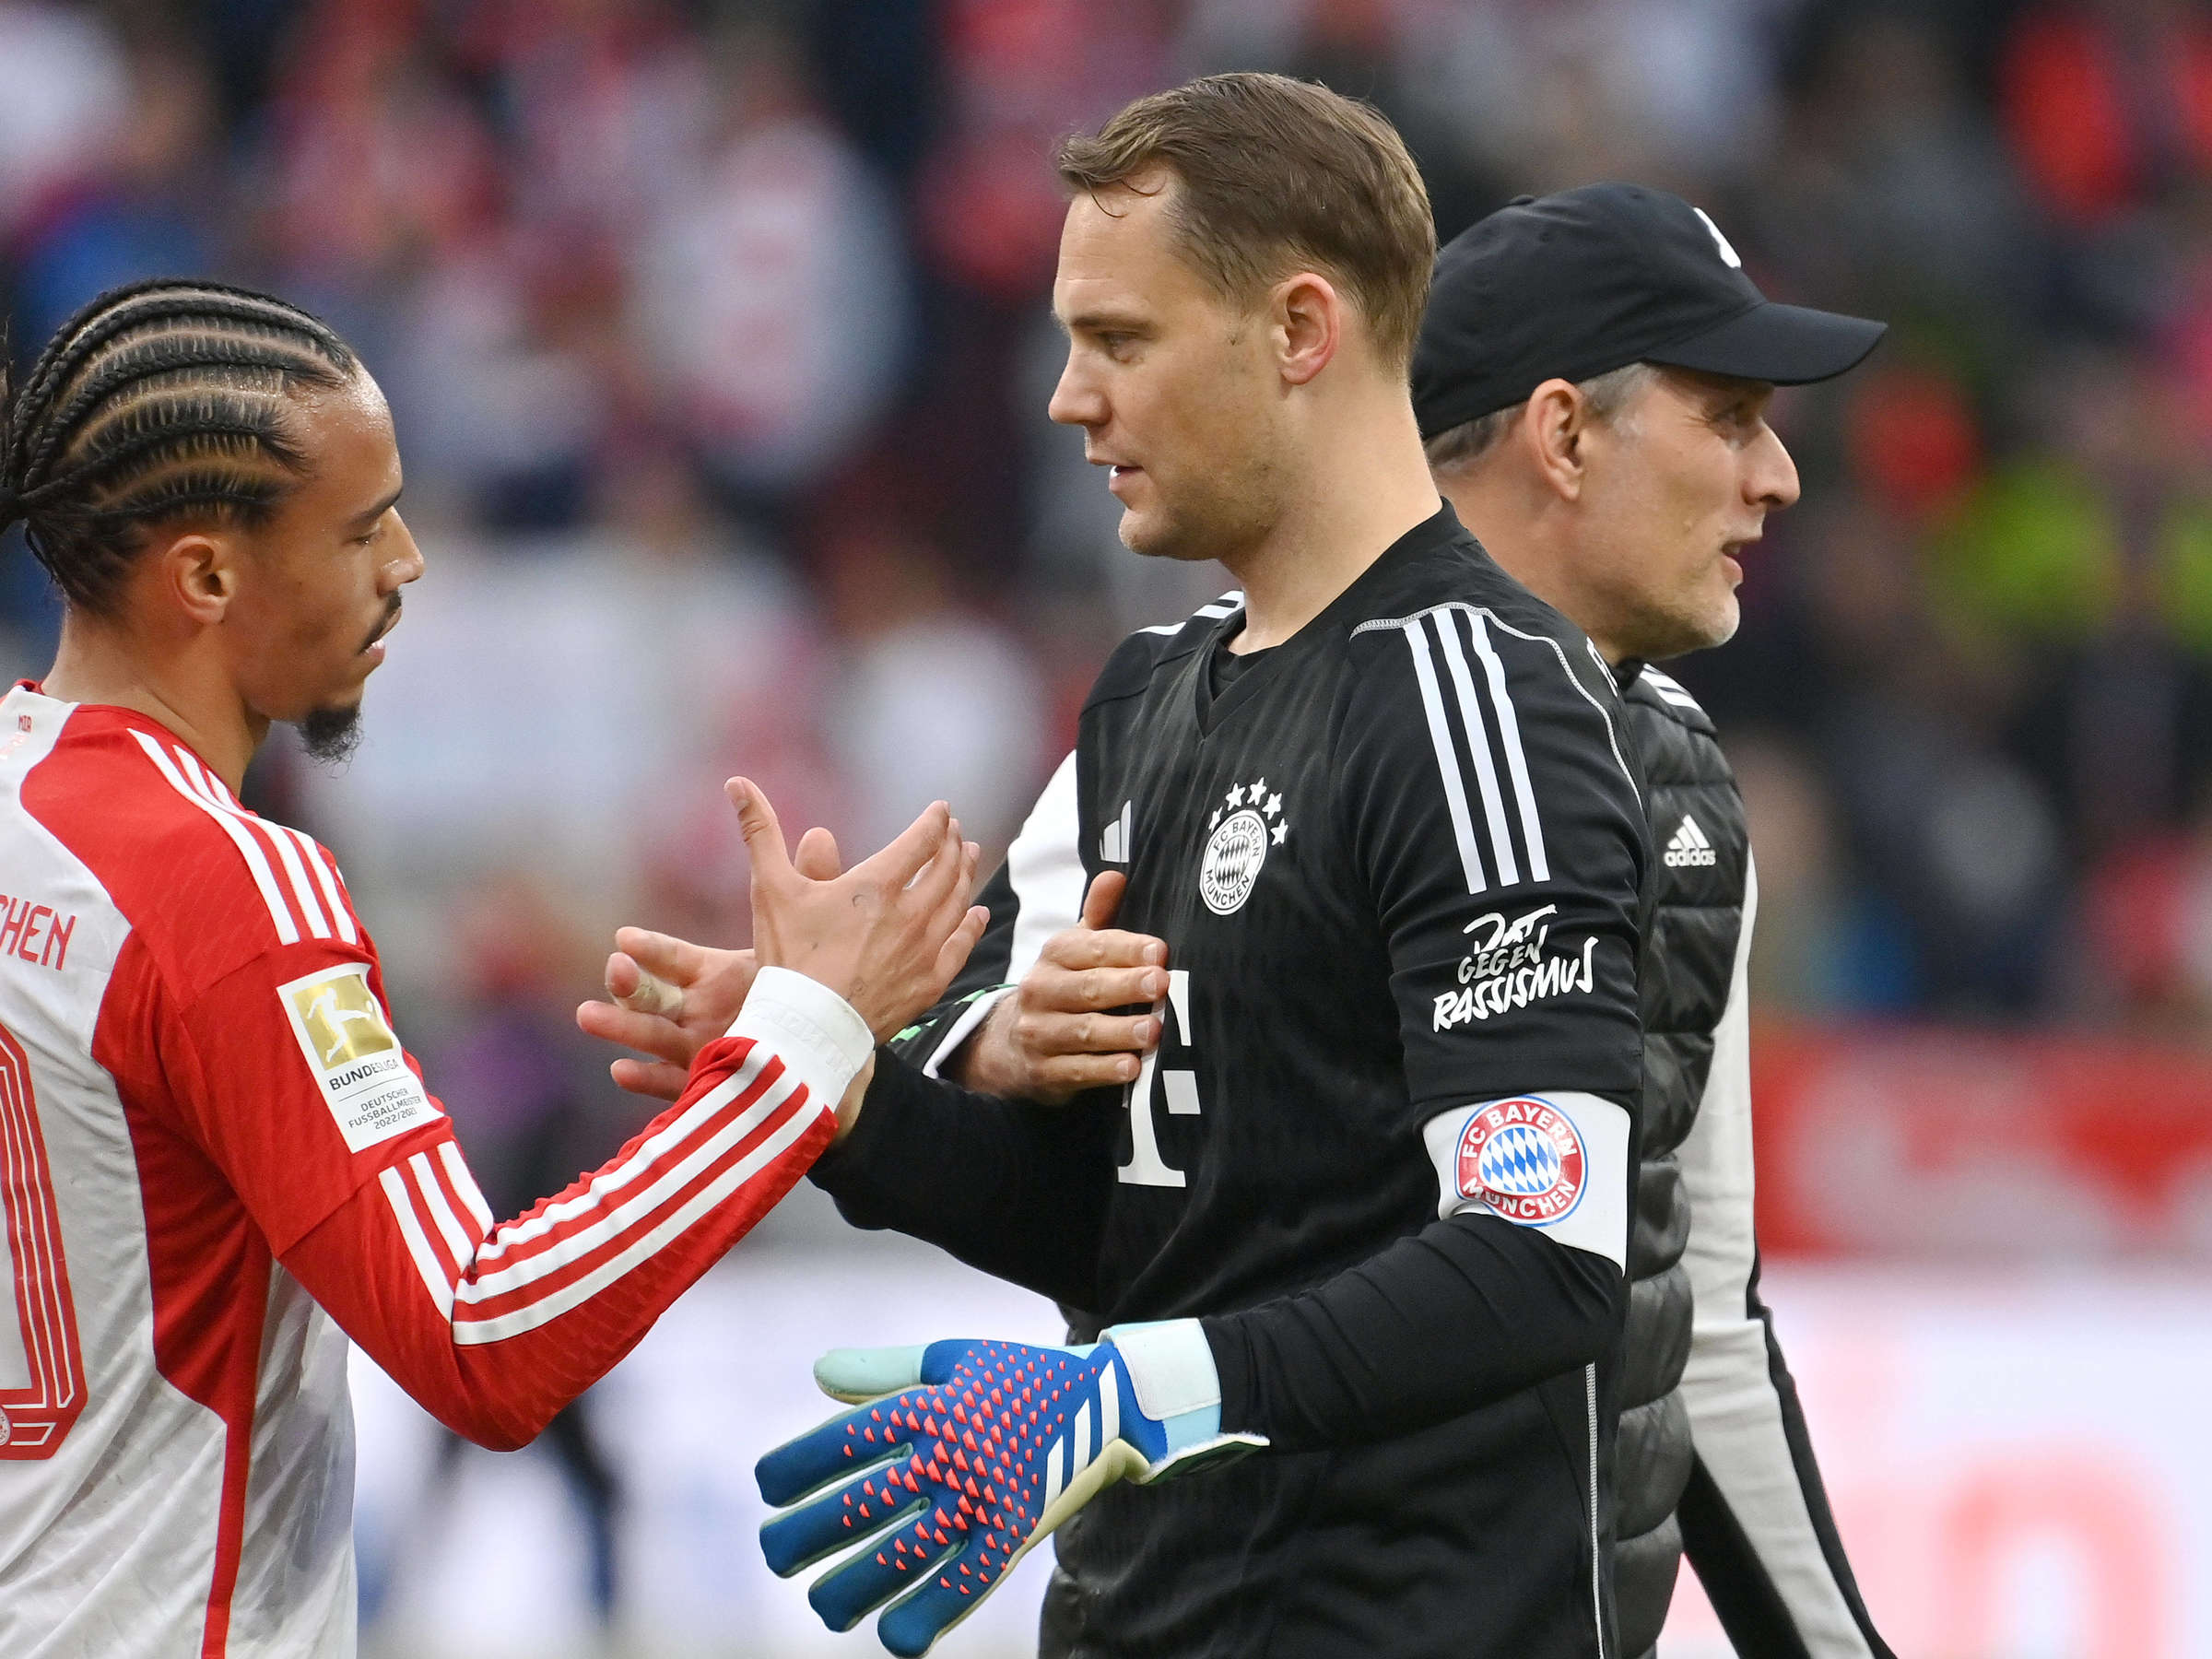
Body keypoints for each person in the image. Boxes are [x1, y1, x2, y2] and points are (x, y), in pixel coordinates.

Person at [587, 75, 1653, 1659]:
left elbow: (1539, 1257)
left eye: (1121, 341)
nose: (1067, 400)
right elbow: (1139, 1235)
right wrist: (841, 1093)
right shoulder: (1151, 696)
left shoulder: (1476, 699)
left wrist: (1134, 1395)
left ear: (1301, 330)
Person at [0, 277, 985, 1657]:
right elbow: (482, 1341)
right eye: (360, 528)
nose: (407, 563)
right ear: (208, 578)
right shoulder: (223, 885)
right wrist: (806, 1040)